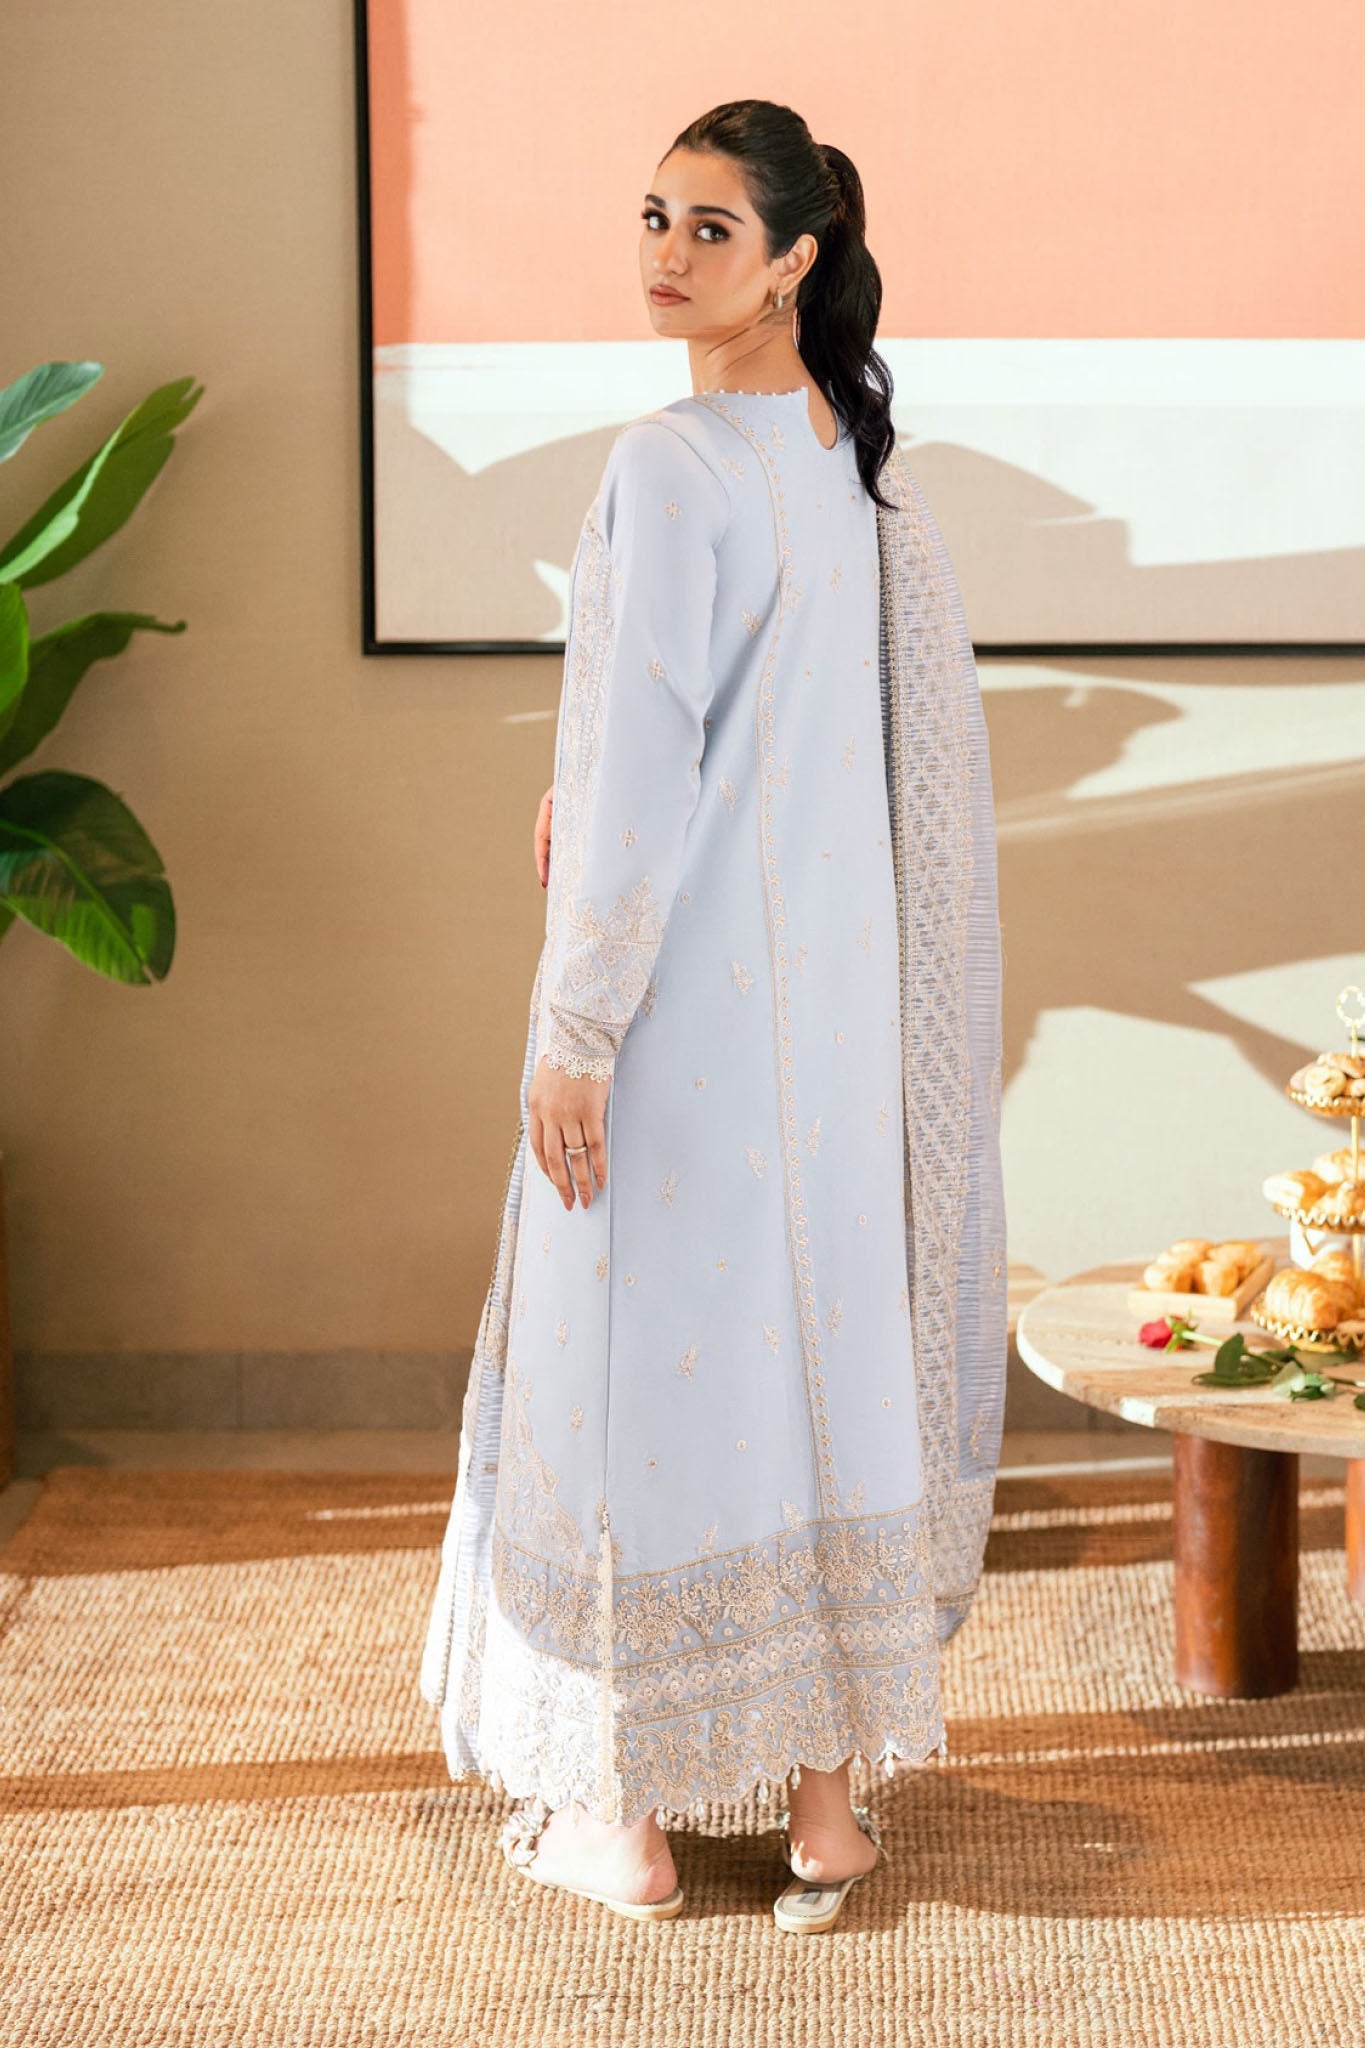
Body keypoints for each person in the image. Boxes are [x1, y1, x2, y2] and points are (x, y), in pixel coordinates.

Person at [420, 97, 1007, 1933]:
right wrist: (586, 772)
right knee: (808, 1371)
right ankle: (826, 1813)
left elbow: (656, 763)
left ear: (792, 261)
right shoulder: (854, 468)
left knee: (631, 1394)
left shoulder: (668, 463)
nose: (665, 257)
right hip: (828, 1024)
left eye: (708, 231)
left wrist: (575, 1029)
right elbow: (784, 741)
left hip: (678, 1016)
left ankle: (623, 1824)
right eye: (652, 218)